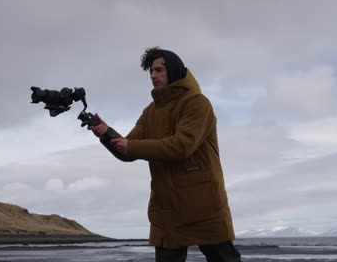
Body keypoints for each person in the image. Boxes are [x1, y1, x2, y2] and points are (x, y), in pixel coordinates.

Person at [89, 47, 241, 262]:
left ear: (174, 70)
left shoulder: (197, 103)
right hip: (166, 207)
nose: (153, 75)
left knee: (224, 259)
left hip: (203, 204)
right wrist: (106, 134)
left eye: (159, 70)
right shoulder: (150, 112)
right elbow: (128, 151)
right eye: (151, 71)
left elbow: (181, 146)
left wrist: (130, 146)